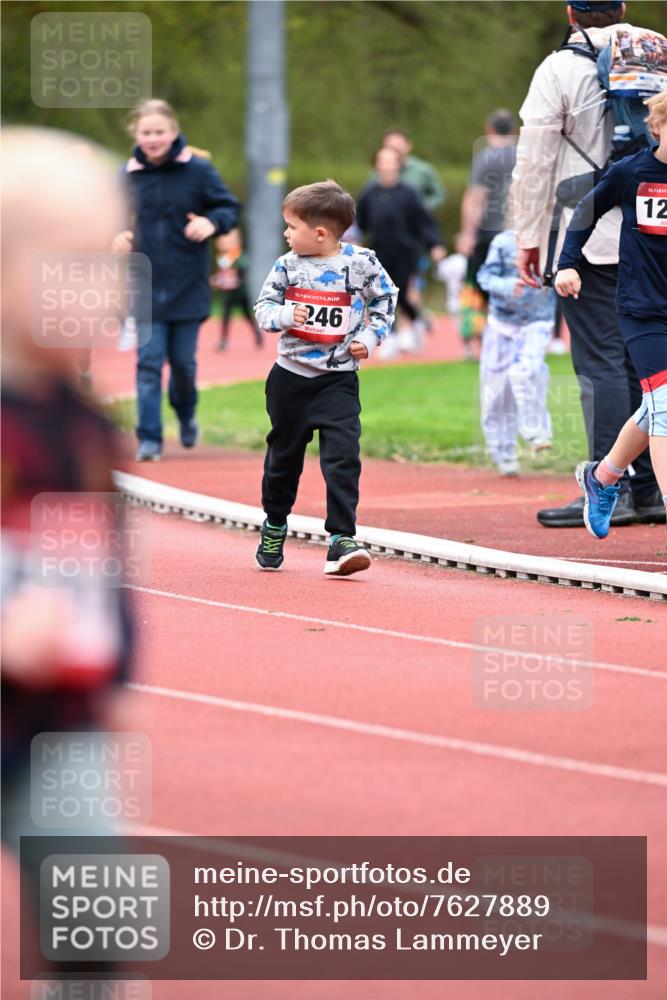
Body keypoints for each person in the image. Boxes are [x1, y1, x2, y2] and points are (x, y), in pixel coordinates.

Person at [1, 127, 134, 853]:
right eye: (76, 267)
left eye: (111, 264)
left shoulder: (85, 425)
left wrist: (116, 664)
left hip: (58, 720)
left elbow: (100, 560)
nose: (105, 290)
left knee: (96, 890)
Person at [510, 0, 665, 528]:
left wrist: (529, 237)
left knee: (601, 362)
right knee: (647, 365)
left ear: (570, 14)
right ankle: (649, 487)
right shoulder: (657, 53)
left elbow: (535, 161)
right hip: (655, 234)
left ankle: (610, 486)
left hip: (591, 234)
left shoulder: (560, 68)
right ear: (622, 9)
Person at [253, 180, 397, 576]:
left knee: (343, 458)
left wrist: (370, 336)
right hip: (290, 379)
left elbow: (385, 299)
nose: (286, 234)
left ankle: (341, 539)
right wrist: (285, 315)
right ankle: (275, 522)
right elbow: (264, 306)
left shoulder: (362, 262)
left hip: (338, 381)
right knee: (284, 460)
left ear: (320, 233)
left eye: (291, 227)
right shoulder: (287, 265)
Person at [555, 90, 667, 537]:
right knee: (665, 407)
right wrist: (568, 264)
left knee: (656, 406)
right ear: (656, 127)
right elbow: (585, 212)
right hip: (643, 310)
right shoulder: (630, 172)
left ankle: (602, 477)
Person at [112, 99, 240, 462]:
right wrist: (116, 234)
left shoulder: (198, 170)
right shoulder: (126, 175)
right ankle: (149, 439)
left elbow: (229, 208)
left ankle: (186, 415)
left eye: (159, 132)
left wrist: (212, 222)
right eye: (146, 132)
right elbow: (106, 215)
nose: (153, 139)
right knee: (148, 364)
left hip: (188, 286)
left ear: (173, 132)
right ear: (136, 134)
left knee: (183, 366)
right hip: (146, 287)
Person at [477, 230, 556, 476]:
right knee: (495, 391)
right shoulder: (502, 242)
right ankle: (503, 453)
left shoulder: (554, 239)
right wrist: (507, 285)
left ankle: (537, 431)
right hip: (501, 323)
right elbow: (484, 276)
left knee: (528, 371)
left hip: (537, 322)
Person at [357, 147, 444, 357]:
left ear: (398, 165)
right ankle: (412, 323)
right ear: (376, 165)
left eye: (391, 161)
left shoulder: (409, 193)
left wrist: (435, 244)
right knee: (383, 294)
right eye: (382, 161)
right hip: (380, 251)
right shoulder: (369, 193)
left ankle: (403, 330)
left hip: (407, 251)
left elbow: (424, 222)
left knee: (401, 292)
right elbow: (359, 222)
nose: (387, 166)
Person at [457, 110, 518, 360]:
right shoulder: (523, 154)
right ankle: (509, 341)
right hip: (516, 232)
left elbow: (476, 198)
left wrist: (467, 234)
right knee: (511, 286)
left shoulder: (486, 157)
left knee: (478, 287)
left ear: (489, 129)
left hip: (488, 233)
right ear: (513, 129)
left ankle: (476, 342)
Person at [210, 228, 263, 351]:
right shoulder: (223, 257)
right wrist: (217, 280)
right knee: (225, 316)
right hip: (228, 294)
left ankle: (257, 334)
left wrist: (225, 280)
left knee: (247, 316)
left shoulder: (239, 255)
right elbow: (222, 274)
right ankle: (223, 340)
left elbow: (241, 274)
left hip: (240, 293)